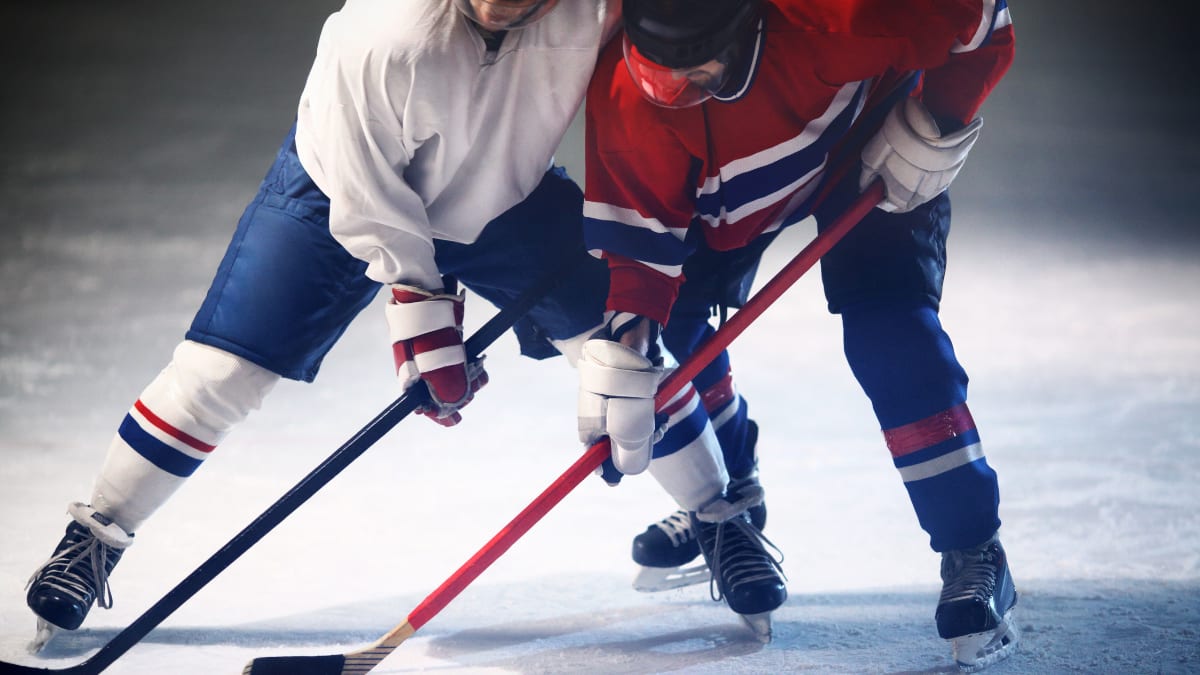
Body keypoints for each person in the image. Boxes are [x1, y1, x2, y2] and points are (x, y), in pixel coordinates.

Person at [23, 0, 774, 648]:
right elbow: (371, 196)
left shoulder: (599, 7)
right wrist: (420, 302)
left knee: (625, 351)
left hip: (503, 197)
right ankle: (93, 533)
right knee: (223, 368)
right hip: (342, 192)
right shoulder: (385, 32)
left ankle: (721, 517)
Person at [579, 0, 1017, 669]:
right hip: (722, 202)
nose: (680, 91)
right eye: (663, 75)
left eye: (701, 71)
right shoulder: (627, 96)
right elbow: (641, 259)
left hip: (866, 153)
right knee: (677, 343)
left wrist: (939, 116)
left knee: (889, 334)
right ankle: (728, 505)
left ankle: (974, 548)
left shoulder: (843, 12)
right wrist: (631, 349)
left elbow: (985, 23)